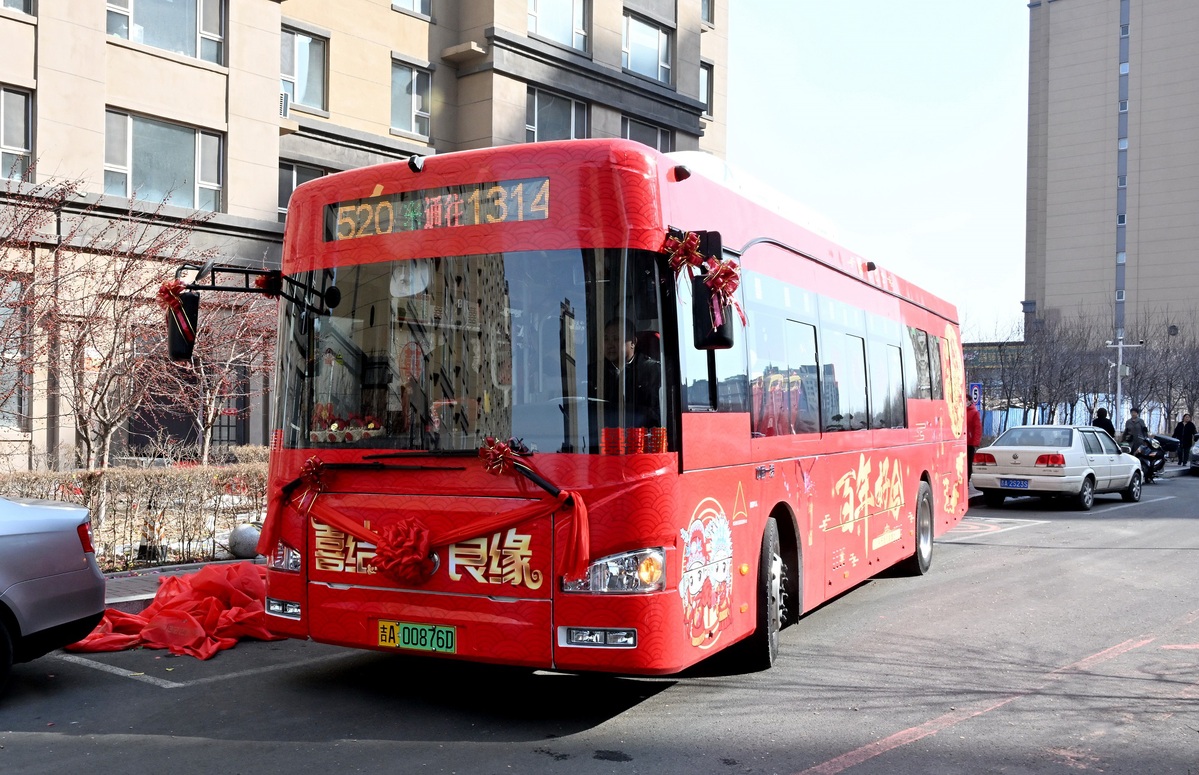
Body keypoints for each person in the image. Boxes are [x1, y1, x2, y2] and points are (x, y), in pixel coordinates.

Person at [601, 318, 661, 428]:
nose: (610, 345)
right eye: (606, 339)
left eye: (616, 339)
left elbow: (656, 414)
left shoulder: (652, 371)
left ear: (633, 342)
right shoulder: (595, 372)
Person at [965, 398, 982, 482]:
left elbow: (977, 428)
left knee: (968, 463)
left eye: (966, 400)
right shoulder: (960, 411)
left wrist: (975, 442)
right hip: (961, 441)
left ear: (970, 402)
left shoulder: (974, 412)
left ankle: (967, 480)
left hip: (969, 443)